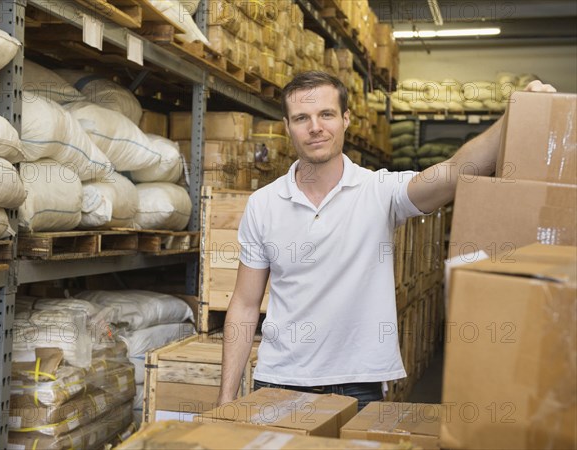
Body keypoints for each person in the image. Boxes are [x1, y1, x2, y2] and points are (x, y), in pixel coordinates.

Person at [217, 71, 555, 410]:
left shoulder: (379, 191)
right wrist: (226, 398)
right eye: (302, 118)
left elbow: (455, 172)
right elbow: (245, 305)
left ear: (346, 119)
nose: (315, 127)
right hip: (278, 381)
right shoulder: (264, 204)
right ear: (288, 126)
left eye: (326, 114)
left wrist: (515, 112)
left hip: (357, 385)